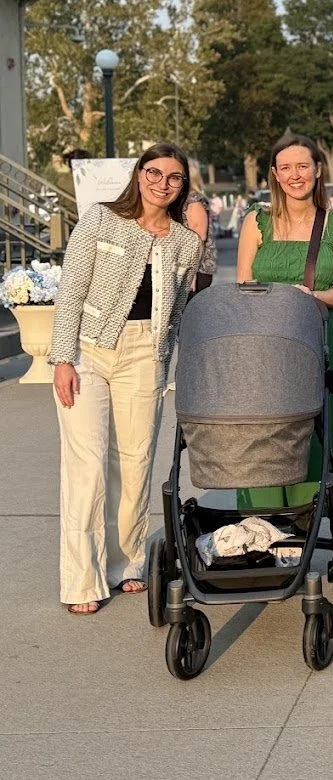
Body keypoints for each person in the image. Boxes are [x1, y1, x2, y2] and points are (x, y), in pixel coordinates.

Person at [48, 143, 203, 614]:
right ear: (139, 174)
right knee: (88, 465)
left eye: (173, 177)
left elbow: (177, 311)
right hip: (88, 351)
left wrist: (164, 362)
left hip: (144, 356)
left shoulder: (185, 241)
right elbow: (71, 291)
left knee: (135, 462)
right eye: (154, 172)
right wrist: (62, 358)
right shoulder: (99, 218)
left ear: (182, 186)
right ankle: (82, 581)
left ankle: (126, 562)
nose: (162, 183)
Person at [235, 133, 333, 511]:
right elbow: (243, 284)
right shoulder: (256, 221)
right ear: (275, 175)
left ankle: (311, 508)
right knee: (264, 424)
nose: (295, 175)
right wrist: (276, 299)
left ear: (318, 170)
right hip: (265, 337)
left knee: (323, 422)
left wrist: (310, 297)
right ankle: (264, 510)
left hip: (320, 333)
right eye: (286, 168)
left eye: (303, 166)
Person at [184, 167, 217, 295]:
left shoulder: (193, 200)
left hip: (197, 270)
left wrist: (191, 273)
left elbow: (198, 238)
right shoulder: (186, 200)